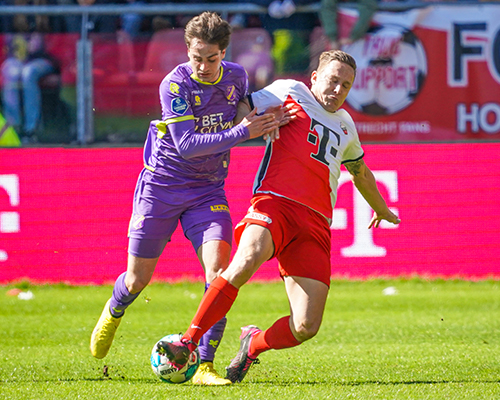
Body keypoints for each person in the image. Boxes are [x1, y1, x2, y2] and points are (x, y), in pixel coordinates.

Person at [158, 49, 401, 383]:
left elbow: (360, 172)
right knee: (245, 261)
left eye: (346, 85)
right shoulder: (289, 91)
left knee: (305, 327)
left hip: (315, 225)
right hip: (275, 203)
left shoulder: (346, 125)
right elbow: (242, 105)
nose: (338, 90)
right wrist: (256, 122)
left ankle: (252, 344)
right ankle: (188, 341)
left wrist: (381, 207)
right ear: (315, 77)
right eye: (333, 80)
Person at [89, 11, 281, 386]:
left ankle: (204, 366)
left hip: (207, 191)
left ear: (224, 52)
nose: (204, 66)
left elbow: (240, 107)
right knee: (137, 279)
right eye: (197, 57)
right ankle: (114, 310)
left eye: (212, 58)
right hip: (160, 188)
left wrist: (265, 120)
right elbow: (188, 144)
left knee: (218, 275)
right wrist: (245, 130)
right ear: (187, 51)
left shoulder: (238, 76)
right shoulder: (174, 85)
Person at [1, 32, 60, 143]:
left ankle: (31, 129)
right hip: (16, 59)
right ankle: (13, 127)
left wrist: (38, 45)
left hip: (42, 59)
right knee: (10, 73)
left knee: (28, 73)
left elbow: (55, 43)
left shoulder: (43, 18)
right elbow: (7, 45)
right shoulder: (10, 19)